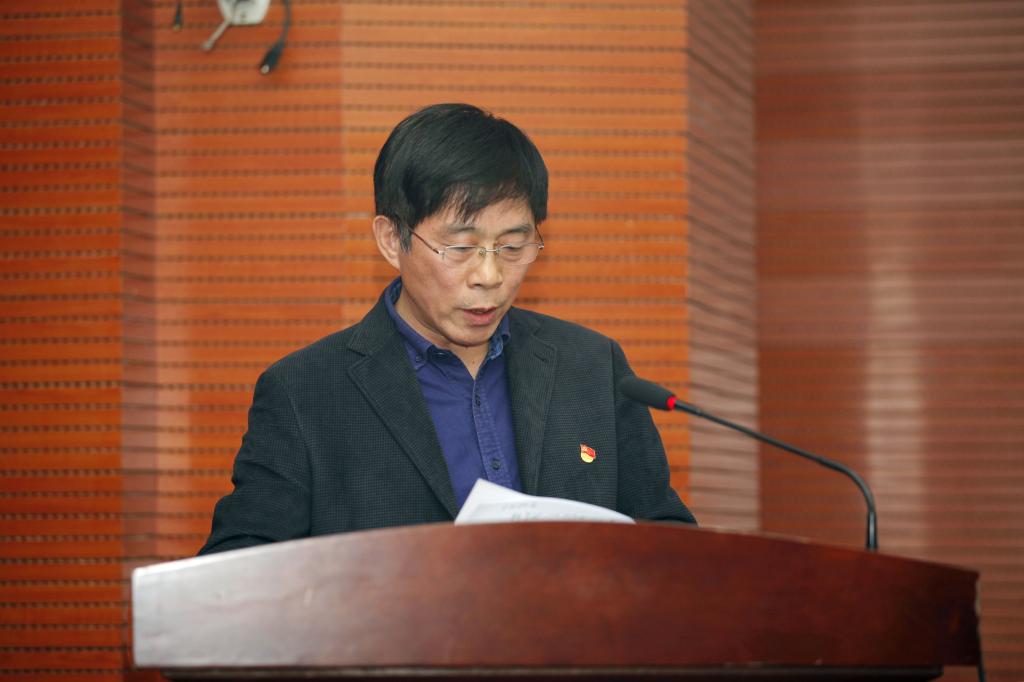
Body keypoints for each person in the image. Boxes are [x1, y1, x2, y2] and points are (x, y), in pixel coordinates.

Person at [199, 103, 696, 555]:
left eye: (512, 247)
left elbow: (672, 544)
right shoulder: (306, 392)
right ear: (392, 240)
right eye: (460, 248)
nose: (490, 275)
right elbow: (235, 575)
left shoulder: (591, 367)